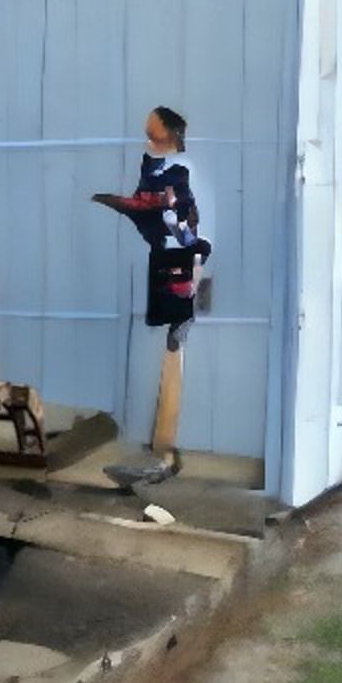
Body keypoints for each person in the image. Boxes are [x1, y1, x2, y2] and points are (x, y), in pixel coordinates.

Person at [91, 106, 213, 475]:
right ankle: (161, 449)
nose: (147, 141)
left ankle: (165, 452)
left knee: (175, 341)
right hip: (168, 256)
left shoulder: (180, 171)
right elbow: (148, 207)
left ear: (170, 137)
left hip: (183, 258)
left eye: (154, 135)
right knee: (169, 340)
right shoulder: (155, 167)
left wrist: (119, 203)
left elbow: (165, 212)